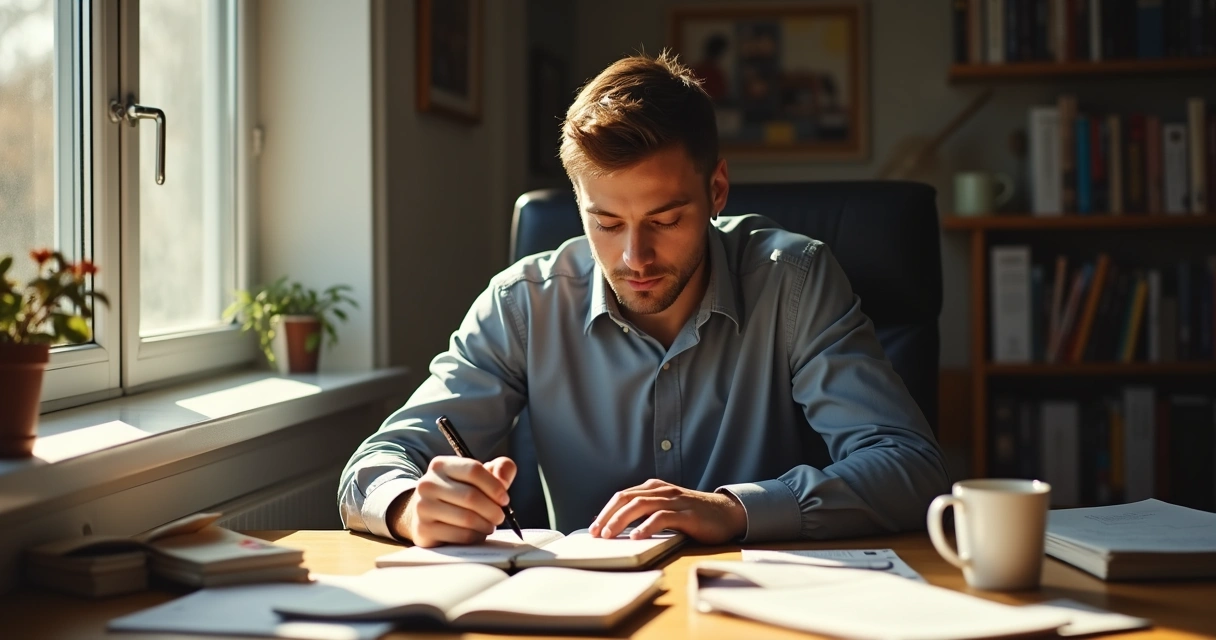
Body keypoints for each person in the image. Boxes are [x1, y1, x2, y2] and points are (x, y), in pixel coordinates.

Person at [339, 51, 949, 548]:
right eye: (605, 222)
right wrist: (407, 506)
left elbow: (910, 466)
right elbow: (375, 463)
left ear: (716, 190)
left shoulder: (793, 281)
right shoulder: (524, 304)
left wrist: (734, 509)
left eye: (666, 217)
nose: (635, 257)